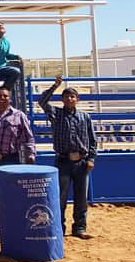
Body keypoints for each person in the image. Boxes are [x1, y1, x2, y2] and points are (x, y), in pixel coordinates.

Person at [38, 76, 97, 239]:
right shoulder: (56, 113)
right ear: (62, 99)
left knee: (81, 197)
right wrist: (54, 86)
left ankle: (79, 228)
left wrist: (91, 158)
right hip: (63, 161)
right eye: (66, 96)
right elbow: (42, 101)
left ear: (77, 99)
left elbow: (92, 139)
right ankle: (59, 228)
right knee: (60, 197)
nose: (69, 99)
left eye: (72, 96)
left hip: (82, 161)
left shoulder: (85, 117)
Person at [0, 86, 37, 229]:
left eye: (5, 96)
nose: (2, 98)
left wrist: (31, 154)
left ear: (10, 98)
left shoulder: (19, 115)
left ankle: (12, 219)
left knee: (12, 191)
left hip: (11, 159)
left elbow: (29, 138)